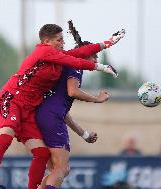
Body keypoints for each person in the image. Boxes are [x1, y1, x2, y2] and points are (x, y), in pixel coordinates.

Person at [0, 23, 125, 189]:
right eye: (59, 39)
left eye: (63, 39)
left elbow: (80, 53)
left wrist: (107, 42)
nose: (62, 42)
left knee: (42, 154)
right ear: (46, 41)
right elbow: (76, 63)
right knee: (7, 136)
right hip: (12, 99)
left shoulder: (56, 56)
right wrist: (103, 68)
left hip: (30, 109)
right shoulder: (44, 51)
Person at [35, 21, 110, 189]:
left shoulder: (67, 63)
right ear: (86, 54)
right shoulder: (75, 66)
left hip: (43, 116)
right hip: (51, 117)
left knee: (56, 169)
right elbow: (72, 91)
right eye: (95, 55)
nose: (96, 59)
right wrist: (96, 99)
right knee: (61, 168)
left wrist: (84, 134)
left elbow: (64, 112)